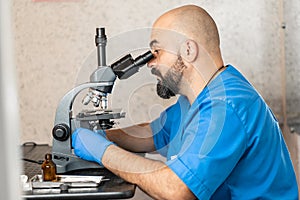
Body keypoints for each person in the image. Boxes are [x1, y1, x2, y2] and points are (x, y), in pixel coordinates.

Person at [72, 5, 298, 199]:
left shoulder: (225, 106)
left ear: (188, 50)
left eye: (156, 51)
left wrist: (102, 151)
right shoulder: (195, 99)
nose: (151, 63)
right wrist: (98, 134)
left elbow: (177, 190)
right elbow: (153, 133)